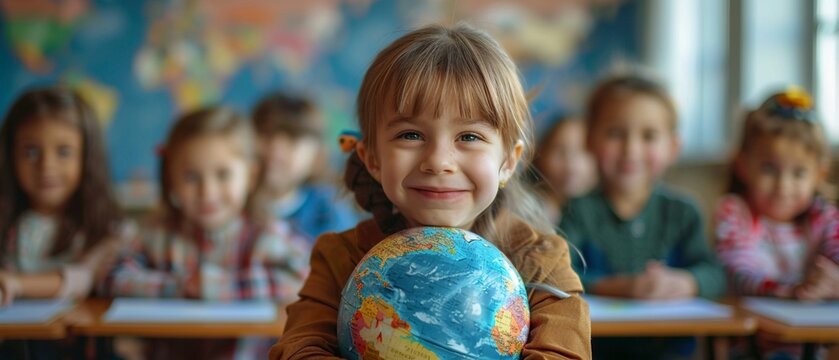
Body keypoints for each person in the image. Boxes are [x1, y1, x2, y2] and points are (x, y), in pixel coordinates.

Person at [270, 24, 590, 359]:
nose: (438, 162)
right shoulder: (339, 257)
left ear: (508, 162)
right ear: (373, 159)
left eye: (468, 137)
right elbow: (300, 349)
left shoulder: (541, 260)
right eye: (410, 135)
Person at [105, 106, 310, 359]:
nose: (207, 192)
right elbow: (113, 276)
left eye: (223, 175)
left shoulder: (266, 234)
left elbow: (305, 276)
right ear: (170, 178)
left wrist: (215, 287)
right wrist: (181, 287)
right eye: (191, 177)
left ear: (251, 175)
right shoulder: (156, 234)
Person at [560, 75, 725, 359]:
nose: (631, 150)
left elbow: (716, 274)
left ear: (673, 147)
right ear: (589, 139)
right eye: (615, 133)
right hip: (595, 350)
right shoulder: (578, 211)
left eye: (648, 136)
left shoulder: (683, 212)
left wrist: (687, 282)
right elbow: (560, 276)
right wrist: (620, 287)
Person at [0, 87, 124, 359]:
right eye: (31, 152)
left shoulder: (105, 230)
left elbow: (81, 279)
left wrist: (17, 284)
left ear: (87, 158)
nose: (47, 166)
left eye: (64, 152)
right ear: (10, 156)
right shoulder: (8, 224)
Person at [715, 88, 839, 359]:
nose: (784, 186)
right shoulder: (735, 214)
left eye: (799, 172)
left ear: (819, 174)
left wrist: (834, 282)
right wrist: (792, 290)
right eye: (769, 168)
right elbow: (738, 273)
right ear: (743, 165)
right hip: (750, 348)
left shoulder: (824, 217)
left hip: (815, 347)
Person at [251, 92, 360, 242]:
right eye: (266, 134)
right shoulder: (232, 202)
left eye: (292, 138)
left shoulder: (329, 213)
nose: (276, 147)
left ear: (316, 154)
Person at [532, 115, 597, 223]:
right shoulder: (525, 208)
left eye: (582, 150)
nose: (570, 165)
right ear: (540, 153)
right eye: (559, 150)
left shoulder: (598, 212)